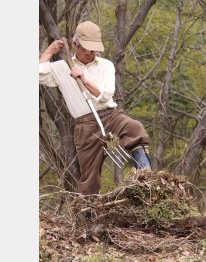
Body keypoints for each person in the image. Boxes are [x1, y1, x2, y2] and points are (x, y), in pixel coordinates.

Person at [39, 21, 151, 195]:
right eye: (87, 50)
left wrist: (83, 79)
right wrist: (49, 51)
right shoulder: (62, 68)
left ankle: (147, 182)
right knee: (89, 178)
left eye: (95, 50)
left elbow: (105, 95)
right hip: (85, 126)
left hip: (110, 116)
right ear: (76, 45)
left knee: (135, 128)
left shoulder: (106, 65)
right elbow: (37, 74)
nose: (92, 54)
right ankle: (91, 218)